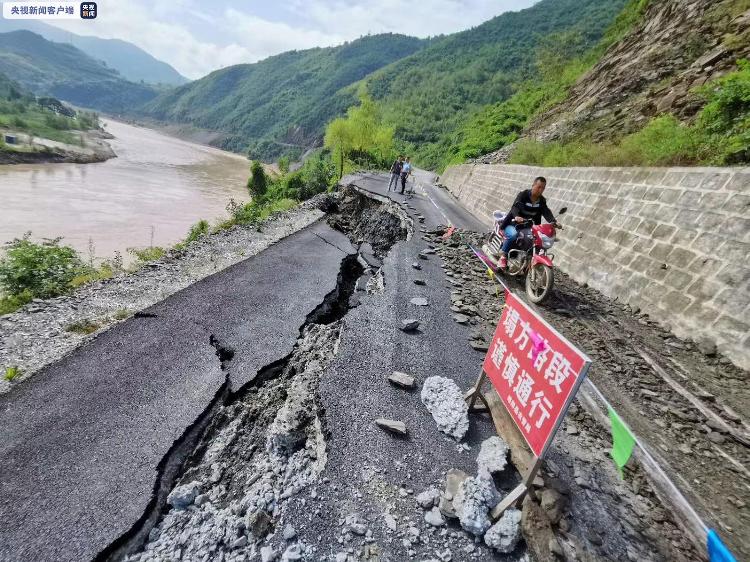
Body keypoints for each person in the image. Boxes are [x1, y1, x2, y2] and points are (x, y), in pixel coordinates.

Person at [498, 176, 560, 270]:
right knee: (513, 235)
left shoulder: (541, 200)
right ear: (533, 185)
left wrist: (553, 221)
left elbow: (546, 211)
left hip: (527, 225)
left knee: (533, 240)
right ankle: (503, 257)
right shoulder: (523, 195)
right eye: (539, 187)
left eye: (543, 188)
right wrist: (516, 216)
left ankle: (525, 260)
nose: (540, 190)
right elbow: (515, 207)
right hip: (513, 223)